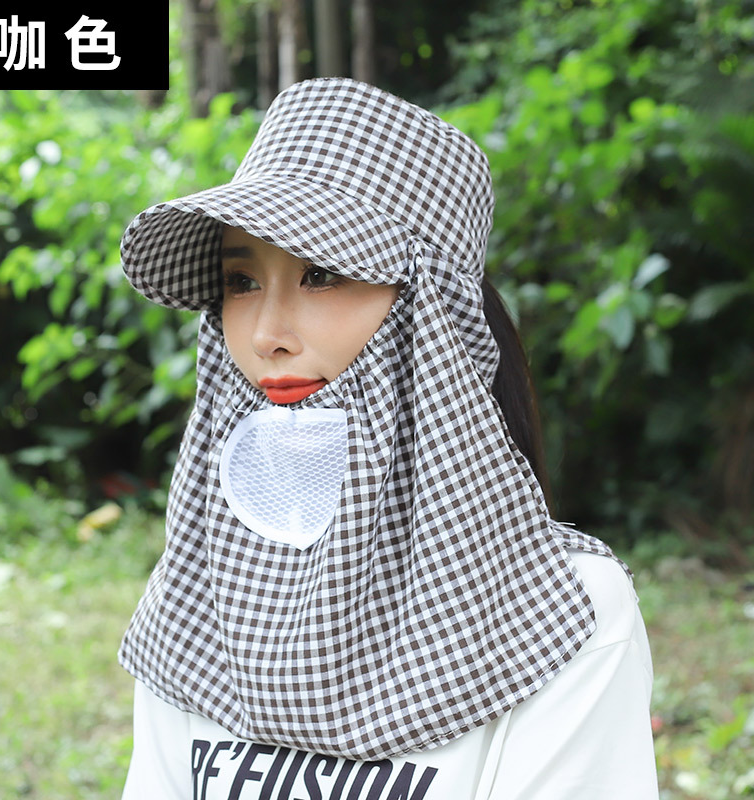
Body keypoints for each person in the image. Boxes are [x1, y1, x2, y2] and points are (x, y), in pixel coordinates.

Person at [118, 78, 659, 799]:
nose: (266, 333)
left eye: (321, 274)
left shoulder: (562, 610)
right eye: (240, 282)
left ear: (434, 312)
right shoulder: (196, 587)